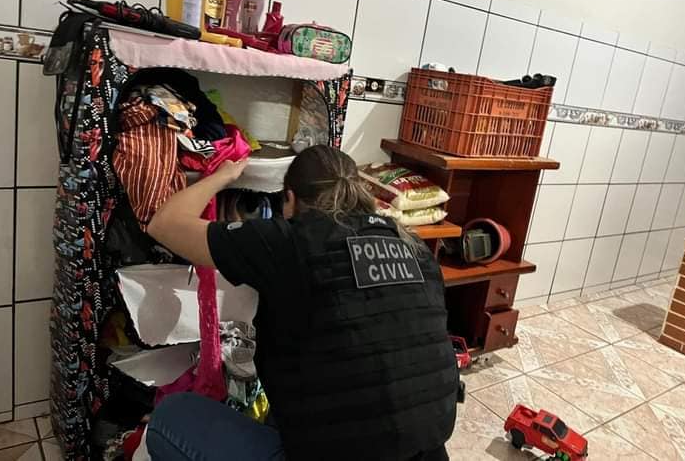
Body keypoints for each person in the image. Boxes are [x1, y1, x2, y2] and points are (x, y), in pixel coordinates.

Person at [146, 145, 458, 461]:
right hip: (429, 451)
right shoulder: (415, 248)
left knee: (170, 418)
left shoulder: (291, 241)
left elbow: (165, 224)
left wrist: (222, 176)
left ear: (291, 199)